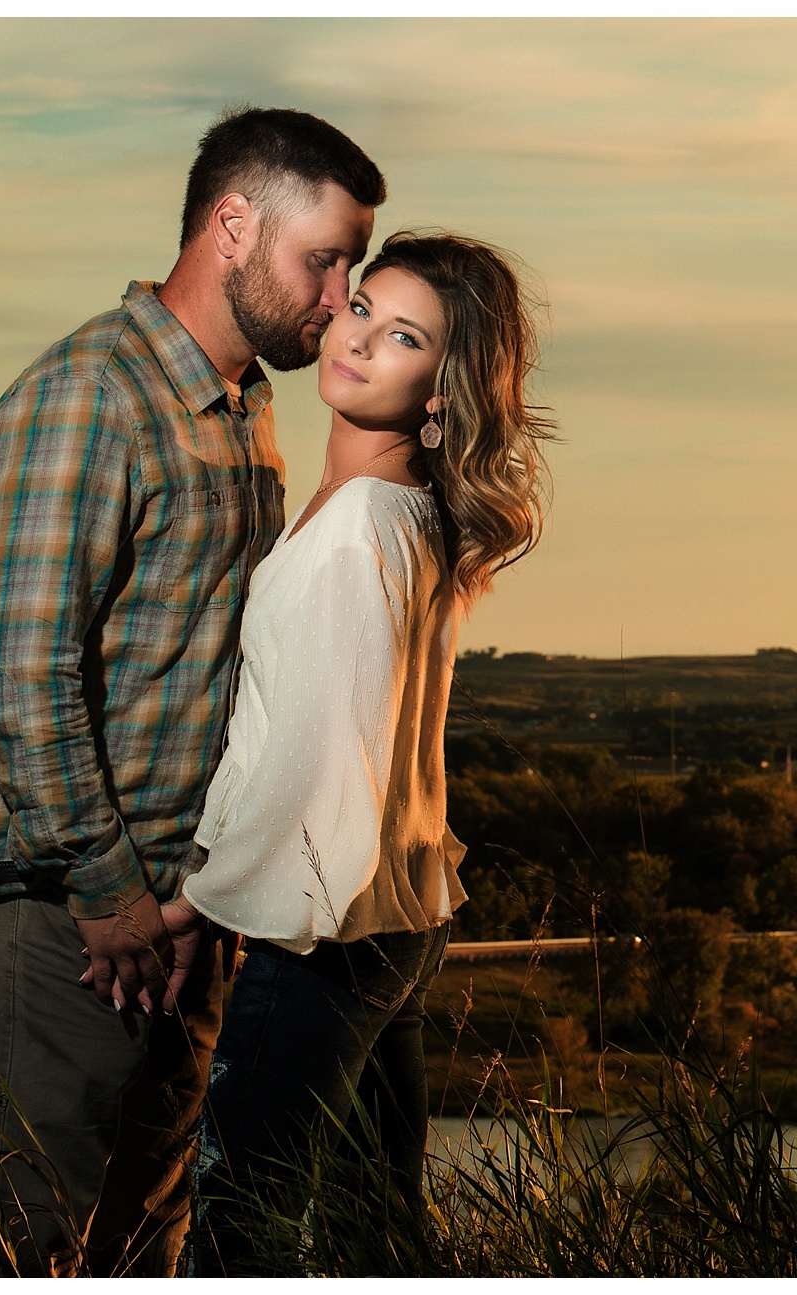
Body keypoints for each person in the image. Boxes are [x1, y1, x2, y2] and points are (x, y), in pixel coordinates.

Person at [0, 106, 384, 1276]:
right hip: (53, 911)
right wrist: (111, 891)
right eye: (321, 258)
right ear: (233, 224)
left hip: (169, 918)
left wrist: (194, 896)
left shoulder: (245, 409)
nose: (339, 297)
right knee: (26, 1251)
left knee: (143, 1251)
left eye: (351, 267)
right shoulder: (89, 396)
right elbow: (20, 675)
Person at [177, 231, 555, 1275]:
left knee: (242, 1221)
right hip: (392, 919)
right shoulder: (399, 514)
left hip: (325, 939)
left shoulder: (358, 534)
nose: (358, 341)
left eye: (404, 338)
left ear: (442, 388)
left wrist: (194, 897)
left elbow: (314, 766)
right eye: (361, 310)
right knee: (376, 1232)